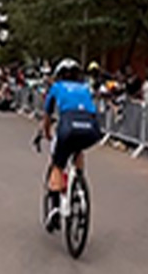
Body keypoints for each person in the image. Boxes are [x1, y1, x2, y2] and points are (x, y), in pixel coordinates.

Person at [40, 58, 104, 231]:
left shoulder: (56, 88)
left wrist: (46, 133)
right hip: (91, 129)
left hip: (68, 126)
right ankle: (79, 178)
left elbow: (47, 116)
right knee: (78, 148)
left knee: (57, 165)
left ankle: (54, 209)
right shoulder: (85, 88)